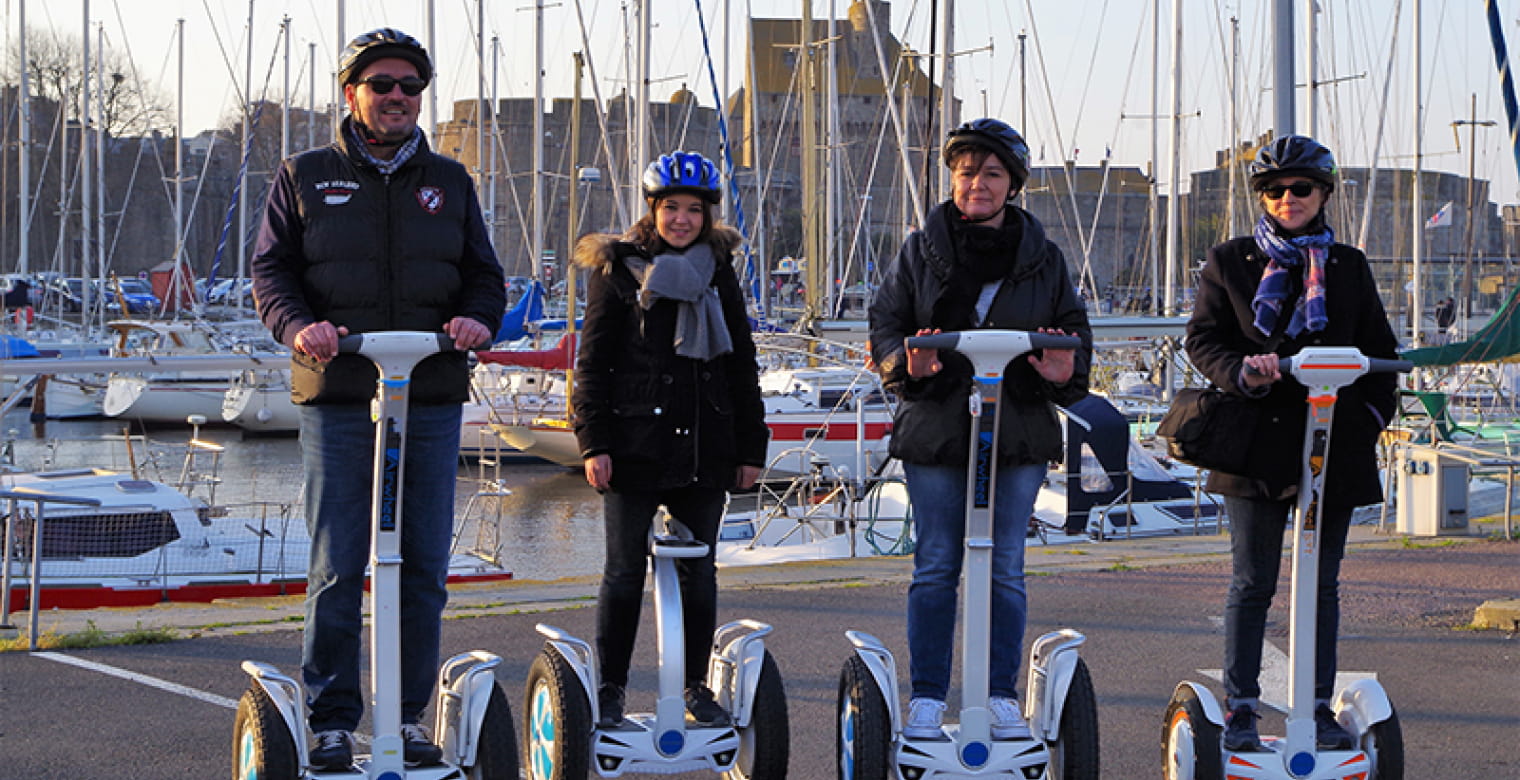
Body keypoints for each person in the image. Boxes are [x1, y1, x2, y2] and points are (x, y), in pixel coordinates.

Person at [251, 27, 505, 771]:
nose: (398, 97)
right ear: (352, 92)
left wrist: (477, 320)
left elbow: (484, 276)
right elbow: (272, 275)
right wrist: (300, 328)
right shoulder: (304, 174)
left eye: (410, 87)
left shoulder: (451, 181)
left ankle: (407, 716)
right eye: (382, 84)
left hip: (427, 394)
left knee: (421, 563)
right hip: (338, 395)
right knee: (338, 563)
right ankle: (331, 718)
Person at [868, 118, 1092, 740]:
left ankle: (998, 692)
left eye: (991, 173)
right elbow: (885, 322)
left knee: (1005, 567)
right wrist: (904, 361)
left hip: (1017, 431)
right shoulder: (921, 249)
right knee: (937, 563)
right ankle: (928, 697)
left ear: (1012, 183)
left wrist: (1063, 365)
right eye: (967, 172)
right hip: (938, 430)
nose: (977, 184)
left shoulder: (1043, 259)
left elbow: (1075, 336)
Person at [1184, 134, 1398, 752]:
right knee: (1253, 579)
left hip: (1332, 443)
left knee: (1322, 581)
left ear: (1323, 193)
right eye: (1274, 191)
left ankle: (1315, 705)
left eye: (1300, 188)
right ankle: (1242, 707)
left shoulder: (1349, 266)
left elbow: (1383, 352)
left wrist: (1372, 419)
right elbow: (1203, 341)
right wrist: (1242, 372)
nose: (1287, 199)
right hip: (1255, 442)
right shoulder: (1230, 261)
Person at [571, 150, 770, 728]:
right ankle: (610, 686)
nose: (682, 220)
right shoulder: (616, 269)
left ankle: (694, 686)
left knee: (698, 572)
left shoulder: (720, 269)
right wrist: (593, 443)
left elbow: (742, 362)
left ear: (708, 215)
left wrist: (750, 448)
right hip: (634, 443)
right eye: (671, 208)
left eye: (693, 210)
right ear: (652, 210)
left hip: (707, 443)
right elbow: (593, 364)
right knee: (623, 571)